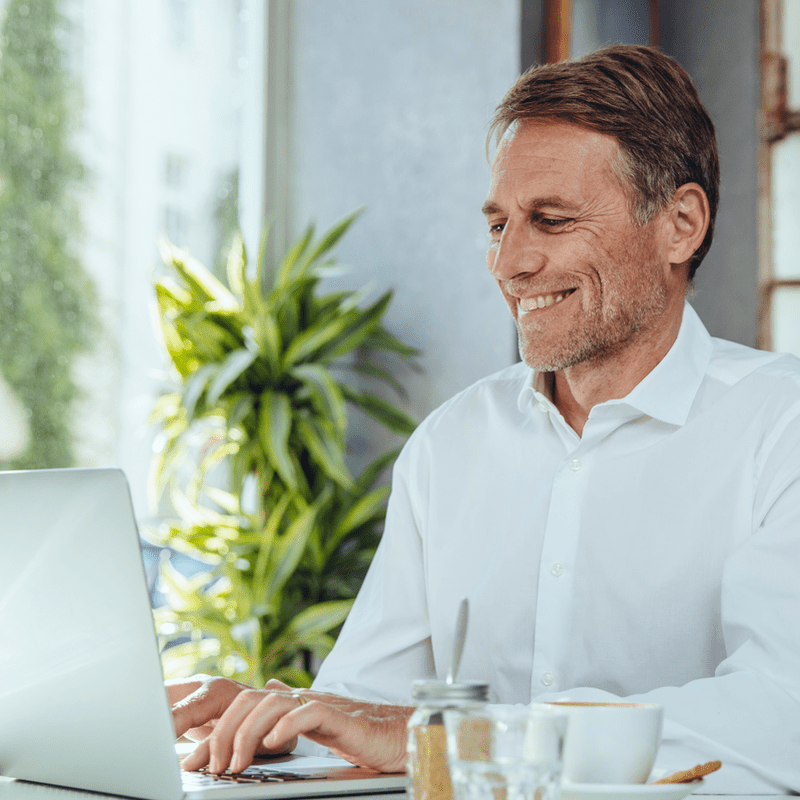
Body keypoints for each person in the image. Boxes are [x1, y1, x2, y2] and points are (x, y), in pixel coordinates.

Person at [167, 45, 800, 794]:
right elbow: (372, 718)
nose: (509, 262)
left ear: (680, 225)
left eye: (551, 220)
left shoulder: (779, 426)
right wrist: (279, 728)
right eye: (498, 224)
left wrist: (464, 738)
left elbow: (778, 716)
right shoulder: (451, 444)